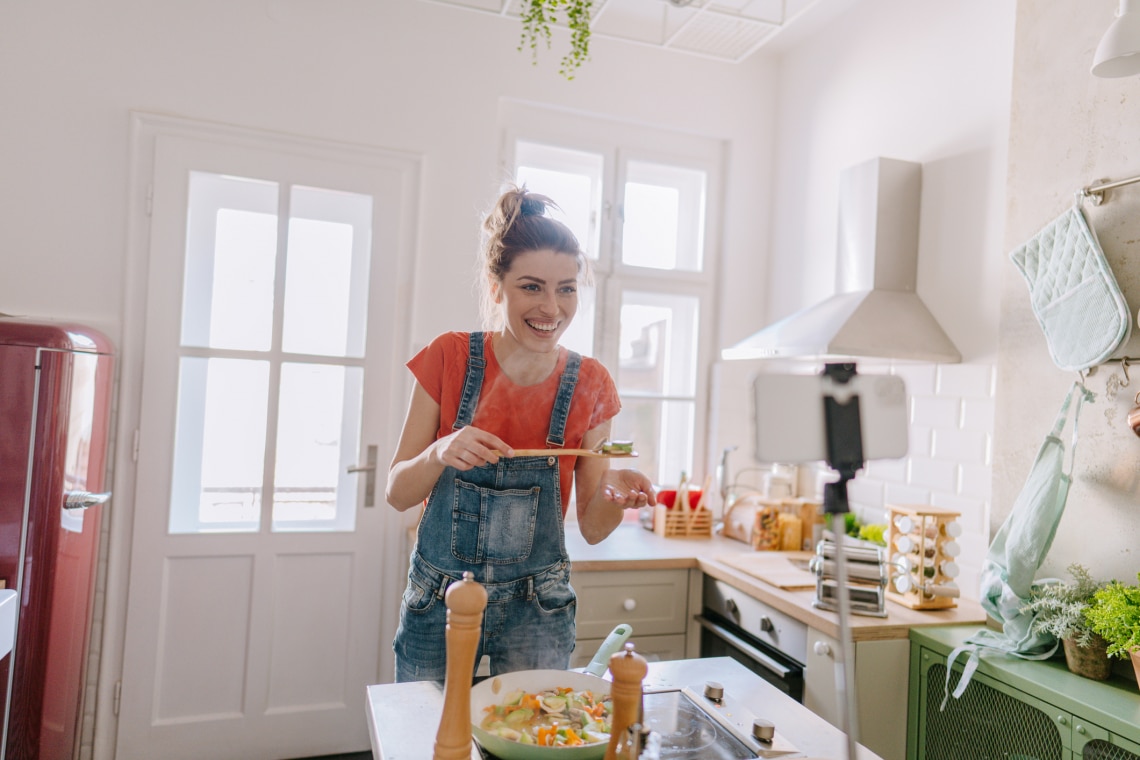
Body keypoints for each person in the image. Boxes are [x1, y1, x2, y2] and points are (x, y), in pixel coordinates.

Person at [387, 185, 656, 682]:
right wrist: (440, 452)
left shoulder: (591, 384)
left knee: (534, 740)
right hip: (440, 601)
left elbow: (593, 529)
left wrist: (619, 494)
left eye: (567, 288)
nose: (551, 308)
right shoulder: (447, 357)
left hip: (540, 608)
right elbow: (397, 492)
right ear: (497, 287)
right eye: (531, 287)